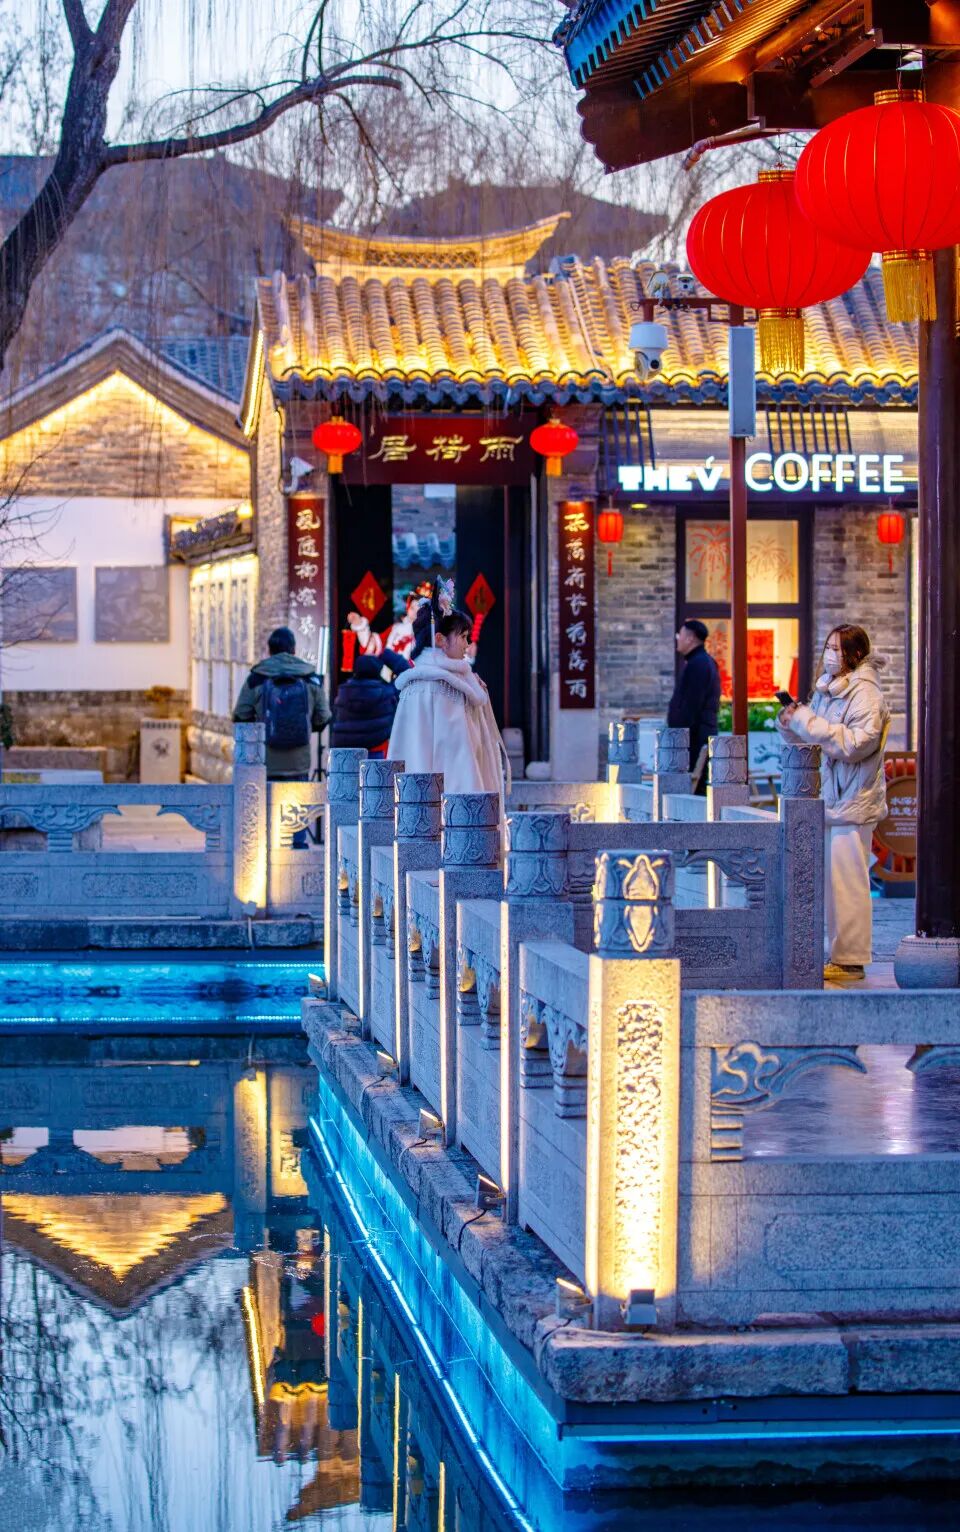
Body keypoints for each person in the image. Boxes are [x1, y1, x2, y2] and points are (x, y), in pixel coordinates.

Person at [778, 624, 889, 982]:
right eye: (828, 647)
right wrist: (791, 721)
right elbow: (812, 738)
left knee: (848, 883)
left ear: (854, 654)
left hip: (852, 799)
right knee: (832, 884)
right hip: (828, 797)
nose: (829, 654)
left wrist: (807, 721)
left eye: (836, 649)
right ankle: (838, 954)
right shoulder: (827, 689)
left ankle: (851, 960)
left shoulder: (866, 693)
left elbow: (855, 744)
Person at [387, 582, 507, 795]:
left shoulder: (438, 682)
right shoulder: (438, 686)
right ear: (440, 639)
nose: (467, 644)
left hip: (421, 801)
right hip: (452, 802)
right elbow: (456, 758)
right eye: (463, 637)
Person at [233, 627, 331, 845]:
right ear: (294, 649)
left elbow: (240, 714)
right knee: (297, 813)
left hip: (265, 759)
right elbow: (324, 716)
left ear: (269, 650)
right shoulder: (310, 678)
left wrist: (261, 726)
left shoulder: (257, 678)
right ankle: (297, 850)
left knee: (266, 815)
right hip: (299, 761)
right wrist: (306, 728)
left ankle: (267, 852)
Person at [667, 618, 721, 794]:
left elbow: (691, 705)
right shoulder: (701, 661)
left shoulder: (699, 664)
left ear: (690, 638)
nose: (678, 638)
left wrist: (678, 736)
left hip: (693, 739)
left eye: (680, 635)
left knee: (694, 792)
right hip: (695, 737)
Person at [330, 650, 410, 756]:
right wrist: (384, 653)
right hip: (374, 750)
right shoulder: (387, 692)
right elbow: (406, 674)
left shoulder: (343, 692)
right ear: (377, 671)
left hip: (344, 752)